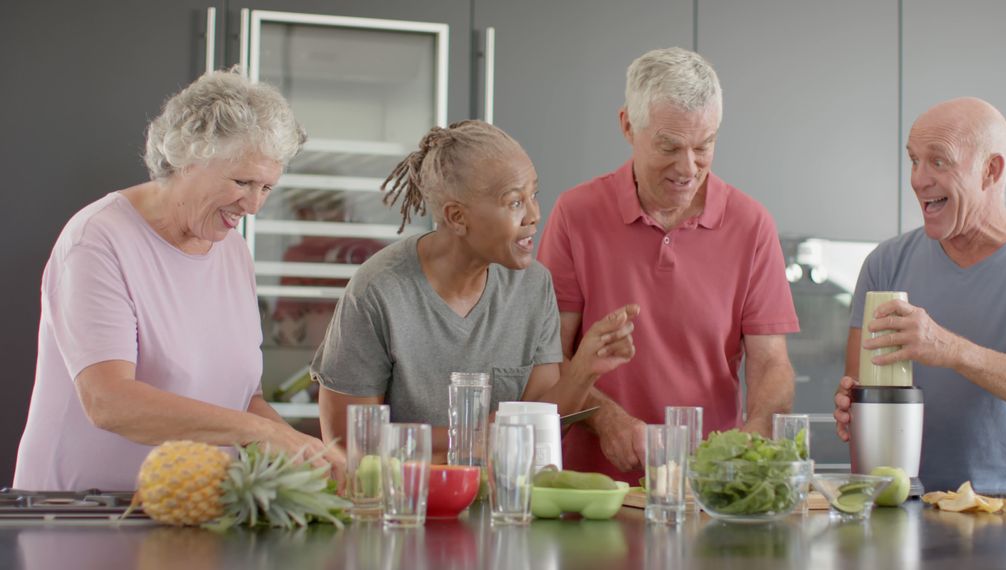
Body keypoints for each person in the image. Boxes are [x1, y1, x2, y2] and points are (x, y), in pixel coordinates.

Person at [13, 70, 343, 491]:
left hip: (191, 511)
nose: (255, 205)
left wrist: (308, 452)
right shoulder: (98, 240)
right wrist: (262, 433)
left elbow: (243, 400)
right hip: (83, 512)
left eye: (267, 187)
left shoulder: (231, 249)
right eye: (242, 181)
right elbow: (108, 401)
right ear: (187, 157)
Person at [537, 47, 800, 482]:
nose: (688, 167)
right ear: (627, 126)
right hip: (593, 491)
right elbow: (550, 359)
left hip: (706, 486)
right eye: (669, 146)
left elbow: (771, 363)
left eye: (704, 146)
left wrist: (754, 439)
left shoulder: (751, 224)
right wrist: (608, 420)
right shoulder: (576, 213)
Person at [312, 120, 638, 456]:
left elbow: (540, 426)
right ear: (456, 217)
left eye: (533, 195)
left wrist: (584, 371)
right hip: (406, 504)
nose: (534, 214)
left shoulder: (533, 286)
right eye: (514, 202)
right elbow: (347, 442)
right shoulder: (377, 291)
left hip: (502, 504)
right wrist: (479, 436)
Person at [833, 97, 1006, 493]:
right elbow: (859, 388)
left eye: (939, 161)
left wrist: (951, 349)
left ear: (990, 170)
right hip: (905, 502)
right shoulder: (885, 263)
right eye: (914, 160)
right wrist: (852, 407)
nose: (918, 179)